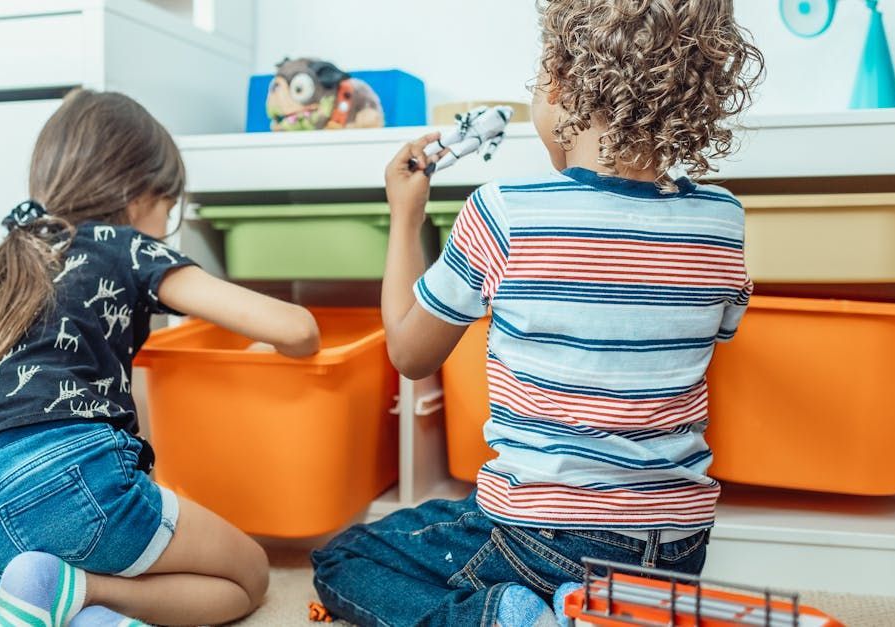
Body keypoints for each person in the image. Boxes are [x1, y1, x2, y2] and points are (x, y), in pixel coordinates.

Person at [311, 1, 764, 624]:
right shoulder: (722, 221)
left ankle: (509, 617)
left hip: (543, 535)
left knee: (344, 560)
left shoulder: (506, 213)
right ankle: (597, 611)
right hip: (678, 547)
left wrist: (406, 215)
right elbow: (720, 330)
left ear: (557, 81)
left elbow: (410, 355)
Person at [0, 89, 320, 627]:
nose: (164, 226)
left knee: (98, 544)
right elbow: (298, 328)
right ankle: (83, 590)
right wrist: (280, 343)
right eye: (168, 210)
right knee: (247, 575)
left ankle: (59, 604)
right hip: (73, 483)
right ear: (136, 195)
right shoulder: (122, 244)